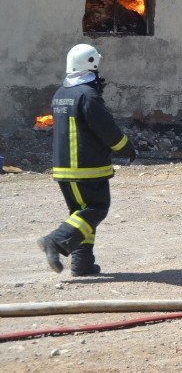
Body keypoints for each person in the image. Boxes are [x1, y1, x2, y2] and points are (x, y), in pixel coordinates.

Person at [37, 44, 136, 275]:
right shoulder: (87, 96)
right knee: (96, 208)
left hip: (64, 169)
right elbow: (107, 130)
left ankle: (82, 263)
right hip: (86, 168)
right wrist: (127, 149)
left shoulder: (61, 94)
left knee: (81, 214)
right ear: (91, 64)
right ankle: (56, 241)